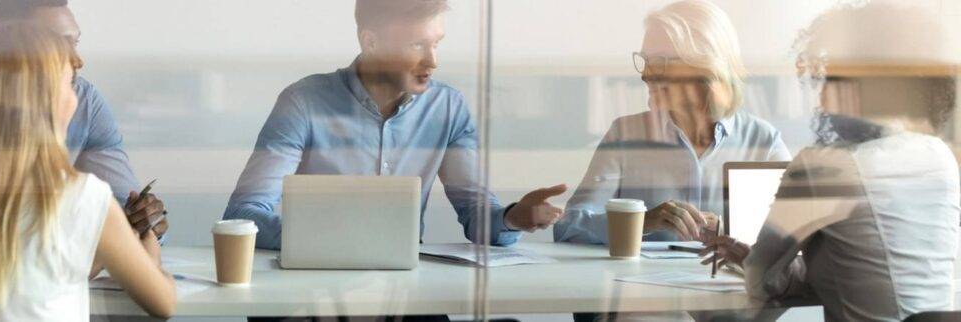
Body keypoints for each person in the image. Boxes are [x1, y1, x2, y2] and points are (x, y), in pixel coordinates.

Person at [223, 0, 567, 250]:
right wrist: (325, 240)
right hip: (316, 287)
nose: (432, 61)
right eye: (417, 45)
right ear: (370, 42)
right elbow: (243, 215)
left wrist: (513, 217)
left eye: (436, 44)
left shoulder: (446, 107)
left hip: (401, 293)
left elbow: (477, 216)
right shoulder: (304, 102)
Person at [703, 3, 960, 321]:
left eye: (832, 77)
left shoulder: (827, 168)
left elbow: (760, 278)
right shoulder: (939, 158)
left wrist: (757, 261)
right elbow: (866, 270)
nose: (824, 93)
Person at [0, 22, 175, 321]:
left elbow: (39, 275)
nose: (76, 98)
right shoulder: (82, 198)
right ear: (45, 105)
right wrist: (145, 234)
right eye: (67, 84)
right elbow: (162, 301)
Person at [555, 0, 791, 245]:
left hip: (728, 284)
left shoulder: (764, 142)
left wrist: (729, 230)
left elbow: (796, 234)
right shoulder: (624, 135)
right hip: (641, 284)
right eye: (645, 61)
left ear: (704, 67)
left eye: (659, 62)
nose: (645, 75)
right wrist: (642, 221)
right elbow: (567, 227)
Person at [0, 0, 168, 238]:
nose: (77, 59)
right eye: (55, 44)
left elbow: (123, 210)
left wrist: (146, 222)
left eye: (74, 43)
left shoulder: (84, 101)